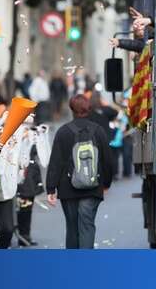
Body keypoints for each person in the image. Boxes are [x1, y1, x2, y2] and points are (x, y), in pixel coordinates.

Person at [46, 95, 113, 249]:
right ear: (88, 109)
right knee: (87, 225)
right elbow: (108, 160)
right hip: (93, 187)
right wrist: (106, 183)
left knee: (72, 227)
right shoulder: (98, 131)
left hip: (68, 188)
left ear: (71, 109)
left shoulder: (63, 132)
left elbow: (56, 162)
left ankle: (73, 266)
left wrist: (51, 188)